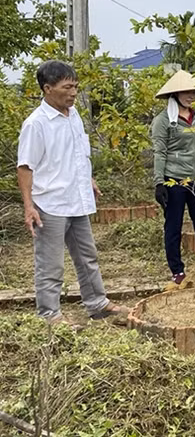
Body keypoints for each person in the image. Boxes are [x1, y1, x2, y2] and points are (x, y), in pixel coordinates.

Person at [16, 60, 129, 325]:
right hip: (50, 204)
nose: (74, 92)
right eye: (67, 87)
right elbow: (25, 167)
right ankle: (49, 315)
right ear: (47, 88)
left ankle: (97, 304)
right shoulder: (37, 124)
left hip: (76, 200)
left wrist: (87, 178)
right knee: (50, 264)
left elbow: (77, 153)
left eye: (75, 86)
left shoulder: (74, 114)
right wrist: (28, 206)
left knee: (87, 256)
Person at [150, 70, 195, 286]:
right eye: (186, 92)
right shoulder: (164, 121)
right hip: (175, 182)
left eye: (194, 92)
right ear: (176, 93)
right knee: (173, 226)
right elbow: (160, 151)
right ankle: (177, 270)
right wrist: (159, 182)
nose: (191, 96)